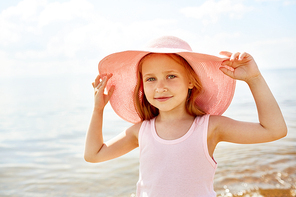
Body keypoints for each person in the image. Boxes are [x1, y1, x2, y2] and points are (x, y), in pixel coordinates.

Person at [84, 36, 287, 197]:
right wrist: (98, 110)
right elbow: (94, 154)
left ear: (190, 81)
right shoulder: (141, 130)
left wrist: (254, 79)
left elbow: (274, 130)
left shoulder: (209, 127)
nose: (160, 86)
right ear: (142, 86)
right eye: (151, 79)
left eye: (171, 76)